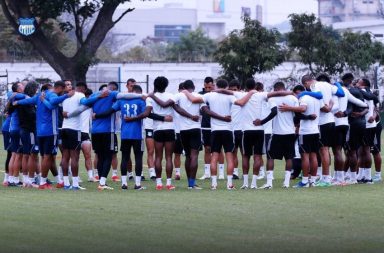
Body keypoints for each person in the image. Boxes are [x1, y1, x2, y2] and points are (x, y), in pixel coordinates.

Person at [80, 82, 143, 190]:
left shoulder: (95, 95)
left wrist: (95, 113)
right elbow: (124, 97)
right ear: (114, 89)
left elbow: (84, 102)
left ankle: (101, 180)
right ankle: (103, 182)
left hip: (95, 131)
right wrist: (143, 95)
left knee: (99, 156)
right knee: (109, 156)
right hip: (108, 131)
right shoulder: (113, 94)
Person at [14, 81, 73, 189]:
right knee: (47, 157)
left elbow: (28, 101)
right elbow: (53, 103)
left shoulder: (39, 95)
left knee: (46, 157)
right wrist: (66, 96)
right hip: (50, 131)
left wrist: (17, 103)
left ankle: (57, 180)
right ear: (59, 88)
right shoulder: (52, 95)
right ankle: (42, 182)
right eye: (65, 88)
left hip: (40, 132)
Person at [261, 81, 299, 189]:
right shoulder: (293, 99)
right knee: (289, 157)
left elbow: (274, 112)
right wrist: (296, 124)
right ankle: (286, 183)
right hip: (290, 132)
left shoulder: (273, 99)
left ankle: (269, 183)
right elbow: (298, 115)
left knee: (271, 157)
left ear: (276, 90)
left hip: (277, 133)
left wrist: (262, 121)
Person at [60, 82, 88, 190]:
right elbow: (85, 103)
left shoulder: (64, 97)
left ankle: (66, 183)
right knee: (74, 157)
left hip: (64, 128)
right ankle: (75, 184)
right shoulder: (80, 95)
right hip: (75, 130)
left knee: (65, 157)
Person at [175, 80, 203, 189]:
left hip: (183, 130)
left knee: (187, 155)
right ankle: (192, 183)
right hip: (195, 128)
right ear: (194, 87)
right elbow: (204, 109)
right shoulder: (198, 95)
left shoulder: (178, 95)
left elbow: (174, 106)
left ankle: (189, 183)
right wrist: (192, 116)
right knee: (194, 155)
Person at [198, 77, 225, 180]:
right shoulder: (201, 95)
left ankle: (221, 173)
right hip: (205, 126)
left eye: (209, 87)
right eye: (206, 87)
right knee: (207, 149)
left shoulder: (218, 95)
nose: (207, 89)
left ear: (213, 85)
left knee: (219, 149)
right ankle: (207, 173)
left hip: (217, 125)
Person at [18, 81, 40, 188]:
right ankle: (29, 180)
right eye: (36, 89)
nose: (37, 91)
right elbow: (32, 115)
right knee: (30, 155)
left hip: (24, 129)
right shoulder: (27, 101)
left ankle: (26, 180)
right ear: (33, 89)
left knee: (26, 155)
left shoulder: (25, 99)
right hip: (28, 130)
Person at [228, 79, 243, 180]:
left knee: (245, 153)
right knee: (233, 152)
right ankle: (235, 173)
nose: (233, 91)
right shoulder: (229, 98)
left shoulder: (243, 96)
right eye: (231, 89)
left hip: (242, 129)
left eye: (235, 89)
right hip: (232, 129)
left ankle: (245, 174)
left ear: (239, 89)